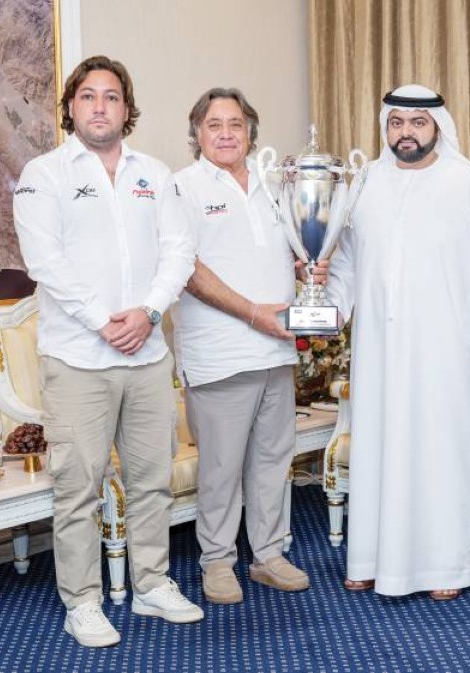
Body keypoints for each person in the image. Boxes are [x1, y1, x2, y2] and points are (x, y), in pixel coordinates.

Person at [12, 55, 201, 647]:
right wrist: (103, 322)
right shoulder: (43, 174)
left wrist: (149, 314)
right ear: (71, 107)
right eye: (89, 96)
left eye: (112, 96)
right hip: (78, 361)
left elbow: (179, 252)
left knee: (152, 482)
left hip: (147, 358)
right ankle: (83, 603)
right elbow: (46, 262)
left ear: (127, 108)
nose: (100, 106)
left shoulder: (156, 174)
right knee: (78, 490)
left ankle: (152, 584)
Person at [327, 84, 470, 600]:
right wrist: (328, 308)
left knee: (442, 452)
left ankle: (448, 567)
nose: (406, 132)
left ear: (437, 127)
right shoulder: (366, 181)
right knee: (378, 447)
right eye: (396, 122)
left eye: (417, 123)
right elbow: (346, 260)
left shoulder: (468, 182)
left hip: (449, 347)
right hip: (378, 347)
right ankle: (370, 558)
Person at [172, 87, 320, 604]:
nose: (226, 134)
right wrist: (254, 313)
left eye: (235, 124)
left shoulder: (273, 183)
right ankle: (217, 562)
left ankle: (269, 555)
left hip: (276, 351)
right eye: (214, 125)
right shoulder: (182, 188)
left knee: (273, 462)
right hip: (220, 356)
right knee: (221, 469)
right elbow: (188, 271)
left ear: (251, 132)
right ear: (197, 133)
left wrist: (309, 266)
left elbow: (293, 249)